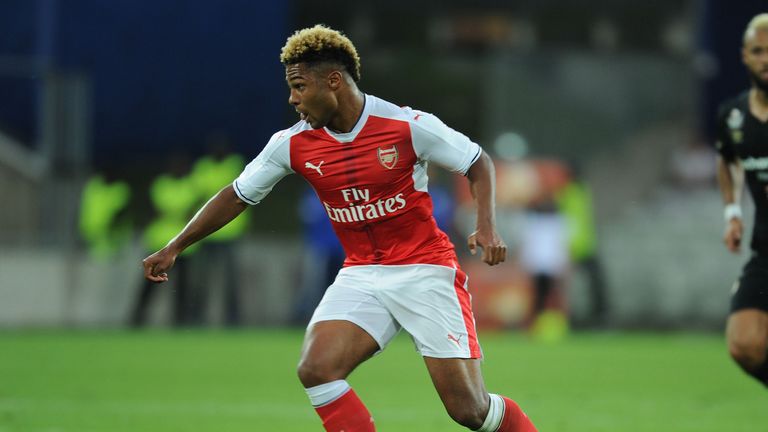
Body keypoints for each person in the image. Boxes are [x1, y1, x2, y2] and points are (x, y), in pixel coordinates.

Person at [142, 25, 537, 431]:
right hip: (361, 273)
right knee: (317, 369)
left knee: (469, 411)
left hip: (425, 270)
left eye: (299, 86)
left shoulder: (406, 125)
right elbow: (237, 194)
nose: (292, 99)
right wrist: (175, 245)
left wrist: (487, 225)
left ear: (333, 81)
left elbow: (477, 162)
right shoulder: (291, 144)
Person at [714, 13, 768, 389]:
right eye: (758, 51)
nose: (766, 58)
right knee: (744, 343)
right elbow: (728, 159)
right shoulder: (733, 116)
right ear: (744, 57)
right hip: (765, 249)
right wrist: (733, 213)